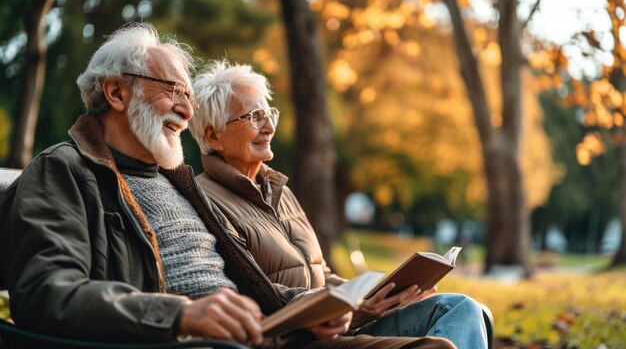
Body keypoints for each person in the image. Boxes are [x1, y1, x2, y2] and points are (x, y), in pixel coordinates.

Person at [0, 23, 456, 349]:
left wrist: (326, 306)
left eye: (188, 95)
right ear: (117, 93)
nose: (186, 108)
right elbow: (47, 292)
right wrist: (181, 314)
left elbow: (258, 290)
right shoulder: (65, 170)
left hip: (266, 335)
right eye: (172, 90)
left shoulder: (177, 183)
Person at [188, 60, 489, 349]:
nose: (269, 126)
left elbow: (319, 272)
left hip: (342, 325)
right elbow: (251, 293)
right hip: (297, 338)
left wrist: (377, 296)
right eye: (253, 117)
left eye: (270, 114)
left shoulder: (278, 189)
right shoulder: (207, 201)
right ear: (214, 135)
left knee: (461, 309)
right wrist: (347, 310)